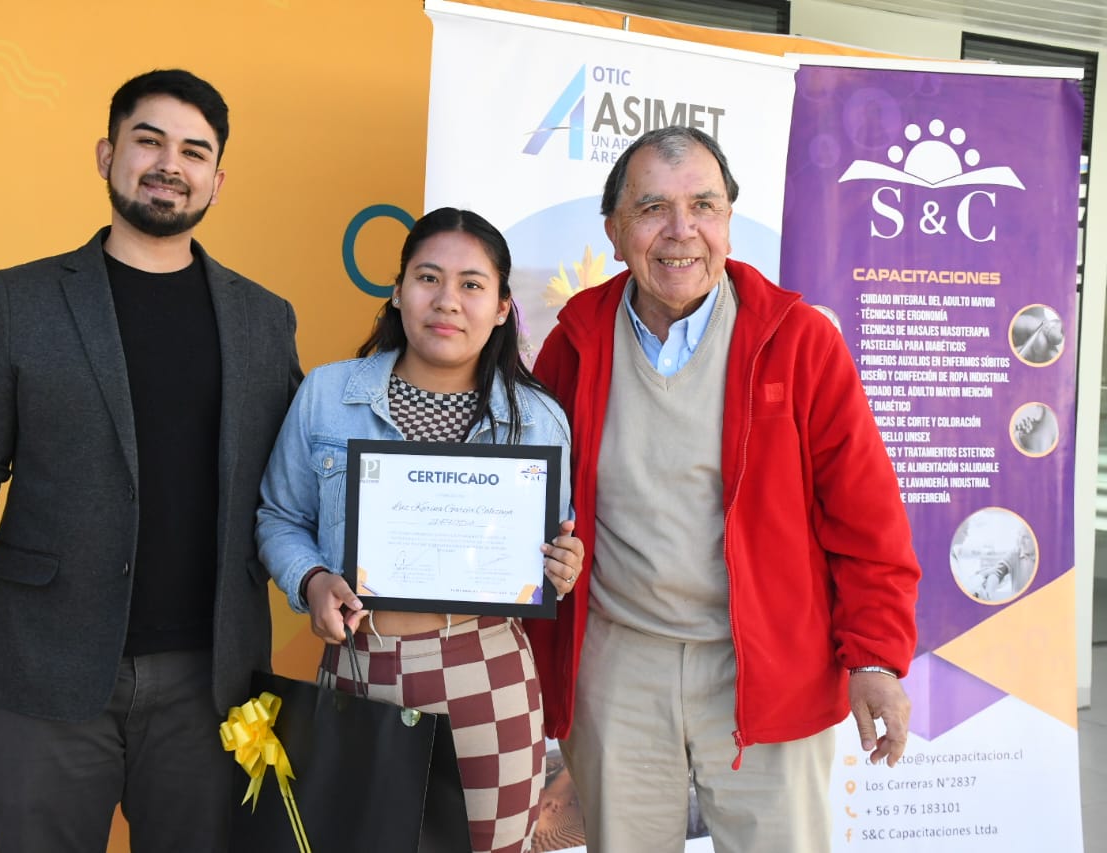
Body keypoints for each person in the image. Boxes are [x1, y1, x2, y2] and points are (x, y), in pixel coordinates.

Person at [0, 69, 301, 852]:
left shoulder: (265, 318)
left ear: (217, 181)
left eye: (194, 151)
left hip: (208, 678)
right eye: (148, 141)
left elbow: (298, 475)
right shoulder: (19, 299)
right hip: (42, 662)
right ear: (105, 154)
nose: (169, 164)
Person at [524, 126, 921, 852]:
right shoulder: (575, 340)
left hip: (766, 663)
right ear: (614, 231)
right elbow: (532, 496)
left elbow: (867, 519)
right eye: (653, 208)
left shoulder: (799, 341)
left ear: (729, 219)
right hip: (619, 662)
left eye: (703, 205)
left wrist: (874, 658)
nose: (682, 231)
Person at [256, 207, 583, 853]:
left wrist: (561, 567)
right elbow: (279, 515)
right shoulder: (327, 394)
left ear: (502, 307)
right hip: (360, 668)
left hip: (486, 674)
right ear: (398, 290)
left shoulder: (539, 419)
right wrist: (313, 579)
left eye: (471, 284)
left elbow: (550, 551)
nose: (447, 300)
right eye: (428, 277)